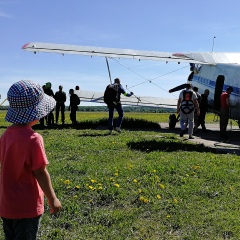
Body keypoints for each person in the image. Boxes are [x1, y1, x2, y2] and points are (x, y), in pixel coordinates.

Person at [0, 80, 62, 240]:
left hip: (6, 205)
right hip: (27, 206)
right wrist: (52, 198)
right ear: (35, 112)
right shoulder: (34, 139)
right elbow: (40, 172)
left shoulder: (6, 135)